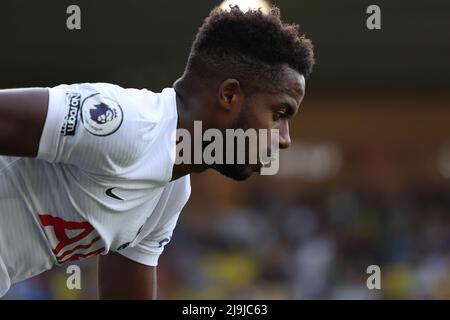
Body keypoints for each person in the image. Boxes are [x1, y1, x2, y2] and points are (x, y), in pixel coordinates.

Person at [0, 5, 314, 299]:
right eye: (279, 114)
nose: (284, 139)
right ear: (229, 95)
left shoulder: (169, 195)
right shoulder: (126, 123)